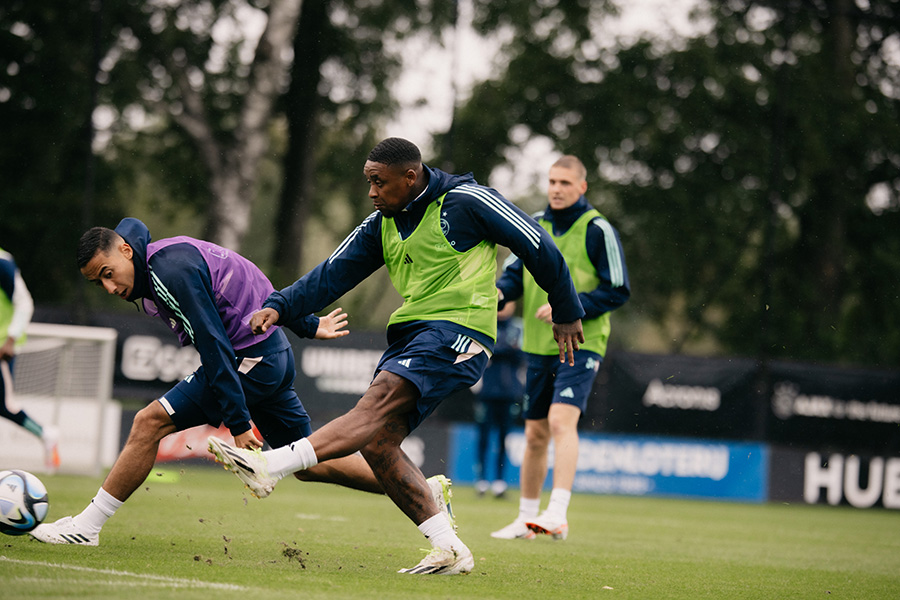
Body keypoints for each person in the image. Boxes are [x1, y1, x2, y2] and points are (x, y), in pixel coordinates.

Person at [206, 137, 585, 575]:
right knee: (377, 441)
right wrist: (280, 304)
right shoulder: (380, 222)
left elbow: (537, 243)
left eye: (378, 182)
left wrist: (567, 309)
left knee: (377, 402)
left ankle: (269, 465)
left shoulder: (467, 201)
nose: (372, 192)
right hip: (413, 335)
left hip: (460, 331)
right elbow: (332, 273)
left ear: (410, 176)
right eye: (369, 182)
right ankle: (449, 548)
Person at [31, 218, 423, 546]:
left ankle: (87, 527)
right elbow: (247, 282)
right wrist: (303, 323)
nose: (110, 288)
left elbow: (214, 345)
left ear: (126, 252)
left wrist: (238, 424)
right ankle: (426, 494)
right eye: (99, 283)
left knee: (148, 422)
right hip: (272, 355)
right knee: (307, 464)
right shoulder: (166, 258)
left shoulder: (170, 270)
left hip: (251, 360)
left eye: (108, 274)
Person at [491, 155, 630, 541]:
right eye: (552, 181)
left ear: (582, 187)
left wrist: (569, 306)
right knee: (535, 433)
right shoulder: (532, 225)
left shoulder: (597, 228)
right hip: (538, 345)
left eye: (565, 182)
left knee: (559, 422)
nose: (556, 188)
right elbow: (514, 281)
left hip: (582, 342)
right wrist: (494, 296)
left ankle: (558, 513)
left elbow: (618, 289)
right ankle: (526, 519)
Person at [0, 247, 60, 471]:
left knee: (4, 405)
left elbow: (24, 302)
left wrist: (11, 340)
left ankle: (46, 434)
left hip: (2, 346)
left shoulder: (2, 263)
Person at [473, 301, 524, 498]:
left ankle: (500, 482)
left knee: (504, 438)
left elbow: (521, 354)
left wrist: (502, 350)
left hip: (510, 393)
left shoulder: (518, 326)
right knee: (483, 437)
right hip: (486, 392)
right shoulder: (486, 324)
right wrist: (506, 349)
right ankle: (482, 481)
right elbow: (486, 349)